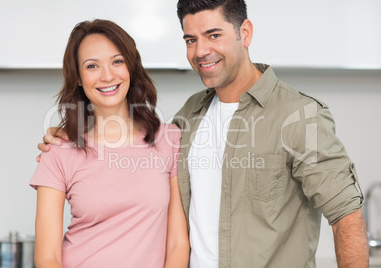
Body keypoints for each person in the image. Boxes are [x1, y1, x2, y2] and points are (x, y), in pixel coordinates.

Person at [38, 1, 369, 267]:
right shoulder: (187, 119)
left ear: (246, 32)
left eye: (214, 35)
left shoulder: (299, 116)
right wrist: (65, 135)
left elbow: (345, 215)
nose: (200, 51)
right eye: (190, 40)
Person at [30, 19, 189, 268]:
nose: (107, 75)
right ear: (79, 78)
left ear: (131, 67)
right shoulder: (58, 150)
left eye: (117, 61)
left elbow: (178, 244)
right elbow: (47, 257)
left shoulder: (168, 139)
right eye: (92, 66)